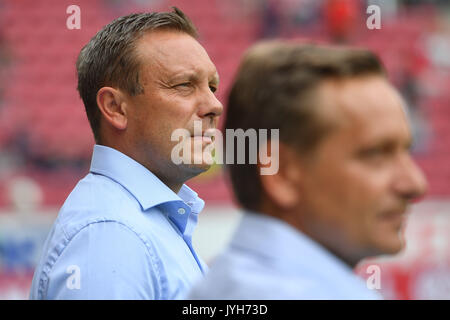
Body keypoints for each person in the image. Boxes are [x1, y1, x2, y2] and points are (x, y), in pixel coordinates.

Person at [187, 41, 428, 299]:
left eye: (406, 151)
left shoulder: (222, 285)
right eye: (375, 154)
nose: (415, 184)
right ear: (281, 174)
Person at [30, 7, 223, 299]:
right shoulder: (111, 235)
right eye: (185, 85)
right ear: (115, 108)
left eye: (212, 87)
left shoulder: (134, 225)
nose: (215, 105)